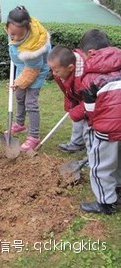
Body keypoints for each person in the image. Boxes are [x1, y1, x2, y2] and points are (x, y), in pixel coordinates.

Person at [71, 34, 121, 215]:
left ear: (91, 53)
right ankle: (118, 189)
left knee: (100, 165)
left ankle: (105, 203)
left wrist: (91, 132)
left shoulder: (90, 78)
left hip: (107, 130)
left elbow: (90, 111)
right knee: (118, 159)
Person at [4, 6, 51, 151]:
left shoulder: (34, 48)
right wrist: (17, 83)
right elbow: (14, 47)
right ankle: (19, 124)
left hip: (35, 71)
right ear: (7, 27)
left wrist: (17, 82)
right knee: (19, 95)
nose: (16, 38)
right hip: (22, 67)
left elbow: (31, 72)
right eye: (12, 34)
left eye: (20, 35)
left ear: (28, 29)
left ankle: (34, 136)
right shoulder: (13, 31)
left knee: (31, 102)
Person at [47, 45, 87, 153]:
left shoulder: (85, 74)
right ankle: (77, 143)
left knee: (88, 124)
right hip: (79, 98)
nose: (54, 74)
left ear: (70, 68)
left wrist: (77, 111)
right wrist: (71, 106)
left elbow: (90, 100)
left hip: (92, 103)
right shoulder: (60, 74)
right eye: (52, 70)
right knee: (76, 117)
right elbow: (67, 91)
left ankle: (91, 151)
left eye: (56, 71)